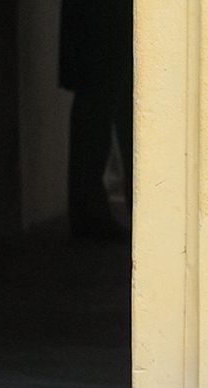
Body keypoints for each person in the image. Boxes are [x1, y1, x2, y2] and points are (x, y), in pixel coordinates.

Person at [59, 0, 133, 240]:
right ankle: (90, 216)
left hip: (98, 31)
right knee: (100, 117)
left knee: (98, 116)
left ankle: (88, 215)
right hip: (104, 30)